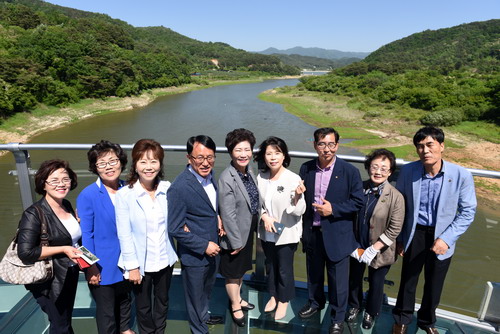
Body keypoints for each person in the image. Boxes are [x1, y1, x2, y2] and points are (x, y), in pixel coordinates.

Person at [392, 126, 477, 334]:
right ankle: (402, 320)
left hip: (443, 234)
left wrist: (447, 239)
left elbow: (468, 211)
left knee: (434, 283)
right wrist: (401, 238)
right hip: (415, 232)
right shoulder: (409, 171)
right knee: (408, 279)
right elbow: (399, 206)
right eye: (420, 146)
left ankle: (427, 322)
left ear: (442, 146)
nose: (425, 151)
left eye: (430, 145)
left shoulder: (461, 175)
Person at [298, 127, 364, 334]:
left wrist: (333, 209)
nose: (326, 149)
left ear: (337, 145)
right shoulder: (306, 168)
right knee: (314, 274)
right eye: (322, 144)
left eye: (331, 144)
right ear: (314, 145)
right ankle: (315, 303)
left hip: (338, 235)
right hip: (313, 233)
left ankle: (338, 318)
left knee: (338, 282)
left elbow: (357, 202)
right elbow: (301, 201)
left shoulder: (350, 171)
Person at [115, 139, 178, 334]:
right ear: (135, 164)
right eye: (143, 162)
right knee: (143, 306)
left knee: (162, 301)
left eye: (154, 161)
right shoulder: (125, 195)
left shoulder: (168, 189)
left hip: (164, 259)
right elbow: (124, 234)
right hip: (141, 263)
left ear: (160, 164)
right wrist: (132, 266)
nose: (149, 167)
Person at [76, 140, 135, 334]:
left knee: (125, 301)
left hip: (127, 260)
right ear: (95, 168)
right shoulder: (88, 195)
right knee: (106, 312)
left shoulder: (129, 189)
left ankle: (125, 329)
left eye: (113, 161)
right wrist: (90, 266)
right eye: (102, 163)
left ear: (121, 162)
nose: (109, 167)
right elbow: (85, 235)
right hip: (102, 264)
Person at [17, 159, 82, 334]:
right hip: (48, 281)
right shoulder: (33, 213)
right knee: (61, 326)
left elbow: (68, 237)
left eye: (65, 179)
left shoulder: (66, 205)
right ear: (43, 184)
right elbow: (25, 252)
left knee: (64, 322)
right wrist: (63, 249)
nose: (61, 184)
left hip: (69, 272)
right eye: (54, 180)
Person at [168, 135, 223, 334]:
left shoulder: (211, 176)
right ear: (189, 158)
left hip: (214, 249)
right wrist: (203, 245)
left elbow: (208, 207)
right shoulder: (179, 187)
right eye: (199, 158)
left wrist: (218, 216)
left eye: (210, 157)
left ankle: (204, 316)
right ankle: (199, 329)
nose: (205, 162)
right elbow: (174, 228)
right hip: (195, 255)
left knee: (206, 291)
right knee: (194, 296)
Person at [346, 149, 405, 329]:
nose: (378, 172)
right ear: (368, 167)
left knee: (376, 282)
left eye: (383, 168)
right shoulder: (358, 188)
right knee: (354, 278)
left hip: (381, 249)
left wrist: (374, 248)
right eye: (375, 167)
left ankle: (371, 312)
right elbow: (347, 217)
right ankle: (354, 306)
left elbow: (395, 228)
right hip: (357, 244)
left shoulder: (396, 197)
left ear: (390, 172)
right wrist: (353, 245)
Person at [254, 136, 306, 321]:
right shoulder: (261, 177)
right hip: (267, 230)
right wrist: (264, 215)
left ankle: (284, 301)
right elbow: (255, 203)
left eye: (277, 153)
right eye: (269, 154)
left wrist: (298, 197)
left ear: (284, 156)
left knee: (284, 268)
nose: (273, 157)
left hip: (287, 233)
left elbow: (300, 211)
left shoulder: (293, 178)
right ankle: (273, 295)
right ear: (264, 157)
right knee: (270, 264)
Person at [218, 128, 259, 327]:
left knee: (240, 270)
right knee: (232, 274)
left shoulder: (248, 171)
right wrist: (236, 242)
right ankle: (235, 305)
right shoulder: (227, 177)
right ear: (231, 152)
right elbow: (228, 214)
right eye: (238, 150)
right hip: (236, 237)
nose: (243, 154)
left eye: (247, 149)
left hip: (246, 230)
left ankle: (238, 298)